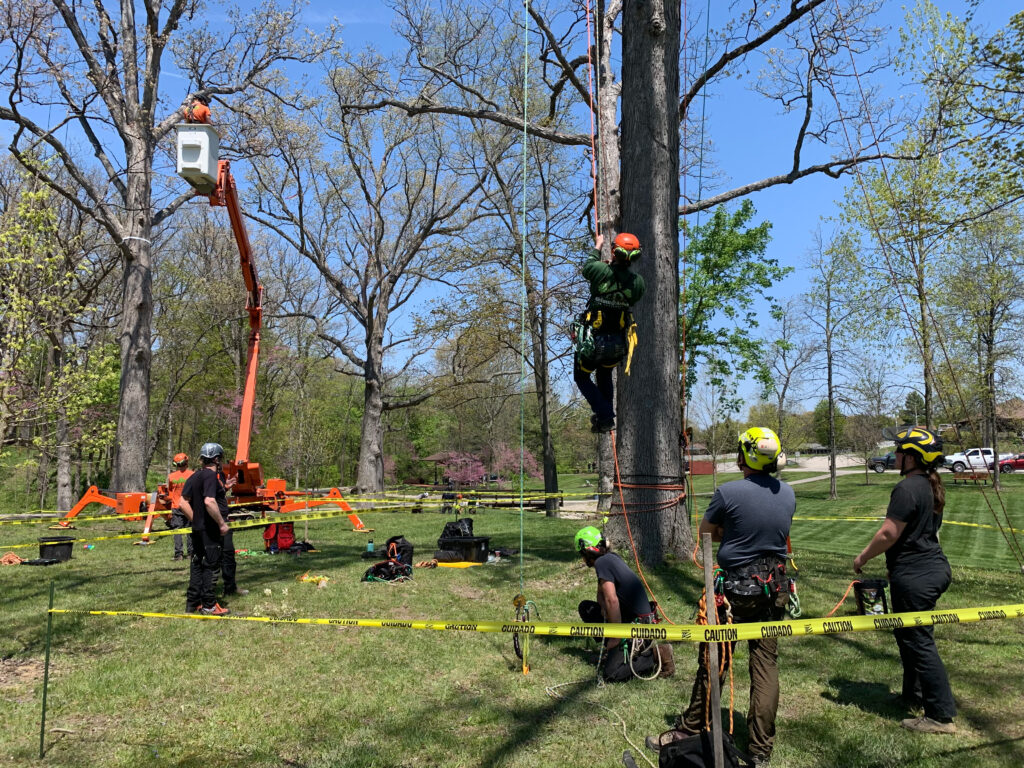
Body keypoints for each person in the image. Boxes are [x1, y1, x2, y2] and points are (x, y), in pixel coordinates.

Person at [669, 427, 794, 766]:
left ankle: (692, 727)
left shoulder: (729, 493)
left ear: (745, 456)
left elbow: (706, 534)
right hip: (774, 589)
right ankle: (760, 750)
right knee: (765, 665)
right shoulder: (788, 493)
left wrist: (731, 532)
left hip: (735, 592)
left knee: (715, 659)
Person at [854, 427, 956, 734]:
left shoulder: (907, 488)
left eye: (900, 452)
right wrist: (894, 566)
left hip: (917, 576)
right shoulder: (928, 484)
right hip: (929, 569)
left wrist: (863, 558)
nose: (895, 456)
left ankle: (940, 715)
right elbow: (916, 534)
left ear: (912, 457)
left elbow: (889, 533)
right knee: (910, 636)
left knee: (918, 641)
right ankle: (914, 696)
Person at [573, 232, 645, 433]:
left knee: (581, 377)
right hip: (617, 343)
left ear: (614, 251)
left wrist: (598, 245)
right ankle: (604, 419)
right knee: (604, 373)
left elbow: (588, 267)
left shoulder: (600, 270)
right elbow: (627, 289)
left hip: (593, 341)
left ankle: (605, 415)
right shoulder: (637, 282)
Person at [575, 526, 658, 681]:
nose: (582, 559)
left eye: (582, 554)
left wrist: (615, 636)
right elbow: (602, 595)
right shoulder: (610, 558)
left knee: (612, 673)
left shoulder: (602, 563)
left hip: (639, 627)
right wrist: (603, 608)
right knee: (586, 608)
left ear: (587, 551)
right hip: (632, 618)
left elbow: (611, 600)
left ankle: (654, 657)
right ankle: (612, 652)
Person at [177, 442, 231, 615]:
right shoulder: (209, 476)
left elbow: (182, 502)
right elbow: (209, 501)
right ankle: (209, 605)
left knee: (197, 563)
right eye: (220, 458)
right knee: (211, 565)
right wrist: (221, 523)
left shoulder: (195, 476)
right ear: (216, 459)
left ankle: (193, 602)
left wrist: (196, 520)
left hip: (198, 529)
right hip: (210, 530)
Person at [165, 453, 194, 561]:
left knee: (177, 530)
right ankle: (191, 553)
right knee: (189, 529)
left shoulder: (171, 476)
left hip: (176, 505)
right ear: (186, 462)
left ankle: (179, 555)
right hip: (188, 505)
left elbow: (169, 493)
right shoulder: (192, 474)